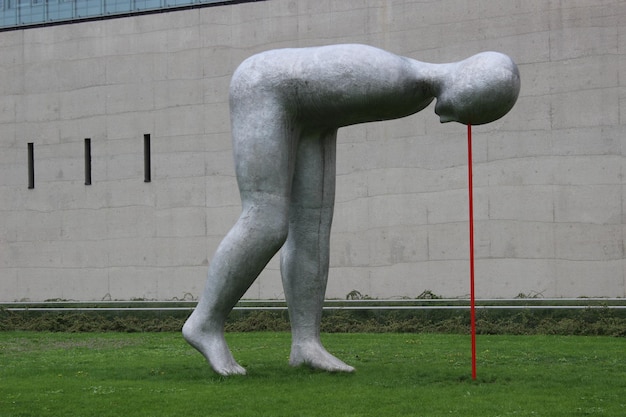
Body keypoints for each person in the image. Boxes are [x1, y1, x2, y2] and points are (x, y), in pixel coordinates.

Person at [182, 44, 520, 376]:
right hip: (264, 90)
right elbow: (313, 79)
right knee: (267, 219)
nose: (448, 120)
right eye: (462, 113)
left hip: (311, 116)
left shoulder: (411, 89)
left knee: (312, 232)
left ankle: (306, 345)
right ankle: (204, 322)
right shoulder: (399, 82)